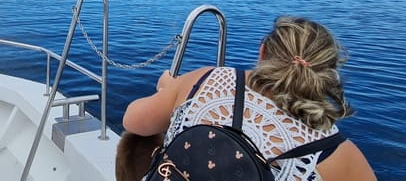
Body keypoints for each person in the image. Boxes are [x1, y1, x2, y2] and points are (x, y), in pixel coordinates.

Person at [121, 17, 376, 181]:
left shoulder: (207, 80)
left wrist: (171, 90)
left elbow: (133, 121)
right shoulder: (339, 154)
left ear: (262, 51)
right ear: (329, 72)